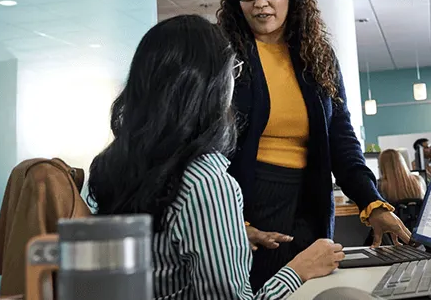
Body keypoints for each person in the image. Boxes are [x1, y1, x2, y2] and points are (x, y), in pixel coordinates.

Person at [87, 15, 345, 299]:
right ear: (212, 86)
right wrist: (299, 269)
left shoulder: (113, 168)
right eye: (233, 70)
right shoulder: (207, 184)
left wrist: (226, 236)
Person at [216, 0, 410, 290]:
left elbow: (342, 141)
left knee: (314, 291)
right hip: (245, 205)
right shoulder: (224, 57)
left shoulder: (317, 56)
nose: (261, 3)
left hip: (309, 201)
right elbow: (206, 148)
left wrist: (373, 203)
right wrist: (231, 222)